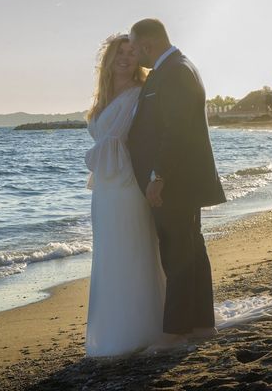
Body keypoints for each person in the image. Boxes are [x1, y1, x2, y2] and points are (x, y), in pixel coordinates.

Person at [127, 18, 226, 351]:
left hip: (177, 182)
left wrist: (158, 177)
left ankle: (175, 332)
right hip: (182, 179)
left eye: (134, 44)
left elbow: (176, 131)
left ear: (147, 44)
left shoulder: (174, 72)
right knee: (191, 248)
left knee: (177, 253)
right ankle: (201, 324)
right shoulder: (176, 67)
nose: (133, 51)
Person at [84, 34, 168, 357]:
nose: (126, 57)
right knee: (109, 255)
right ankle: (112, 331)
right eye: (120, 51)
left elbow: (152, 136)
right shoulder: (100, 99)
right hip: (104, 191)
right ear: (109, 58)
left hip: (129, 185)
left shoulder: (142, 93)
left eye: (132, 52)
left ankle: (143, 328)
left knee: (134, 250)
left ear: (140, 58)